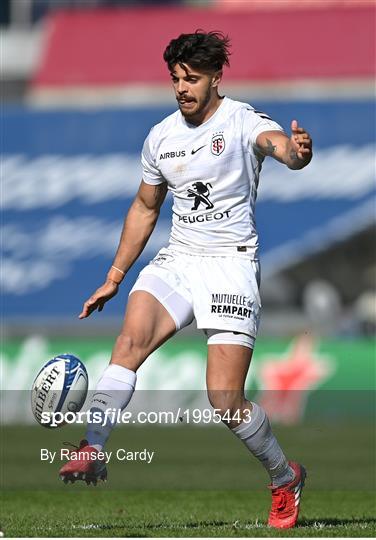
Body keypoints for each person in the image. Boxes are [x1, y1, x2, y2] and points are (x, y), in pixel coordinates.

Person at [60, 31, 312, 529]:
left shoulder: (241, 120)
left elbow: (278, 144)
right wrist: (114, 277)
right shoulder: (161, 137)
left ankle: (285, 477)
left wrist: (296, 152)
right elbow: (145, 206)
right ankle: (93, 446)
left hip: (230, 264)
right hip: (178, 259)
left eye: (191, 78)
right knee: (129, 342)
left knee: (224, 400)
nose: (181, 87)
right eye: (175, 78)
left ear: (216, 77)